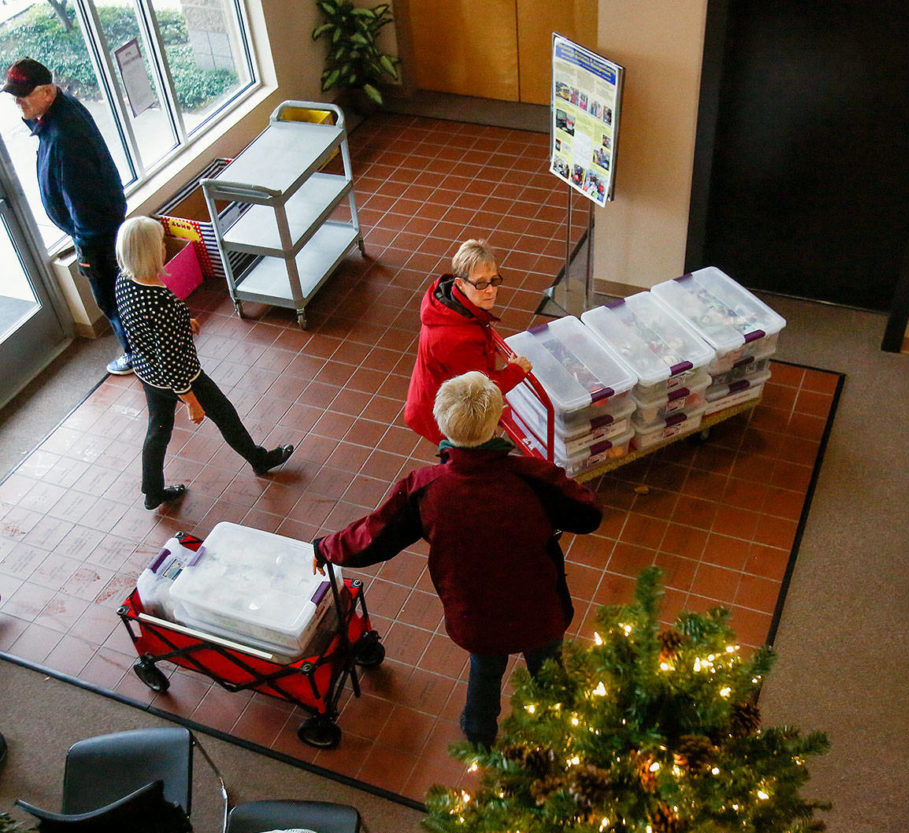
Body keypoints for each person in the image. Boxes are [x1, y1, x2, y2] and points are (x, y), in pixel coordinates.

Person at [314, 371, 602, 749]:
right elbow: (588, 515)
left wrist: (325, 547)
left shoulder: (425, 489)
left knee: (485, 671)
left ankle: (480, 733)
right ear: (500, 422)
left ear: (442, 425)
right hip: (540, 606)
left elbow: (373, 537)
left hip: (476, 613)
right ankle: (562, 728)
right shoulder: (534, 478)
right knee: (549, 667)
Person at [114, 216, 294, 511]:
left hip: (147, 374)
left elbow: (145, 328)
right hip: (184, 378)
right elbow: (173, 362)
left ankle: (152, 490)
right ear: (149, 251)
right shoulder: (163, 303)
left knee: (157, 430)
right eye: (159, 242)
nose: (164, 247)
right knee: (225, 415)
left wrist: (184, 323)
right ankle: (259, 460)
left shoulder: (125, 280)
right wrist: (190, 400)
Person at [1, 58, 133, 376]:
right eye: (14, 95)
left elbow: (82, 204)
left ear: (47, 92)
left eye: (24, 95)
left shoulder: (63, 140)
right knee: (122, 292)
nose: (17, 102)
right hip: (103, 225)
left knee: (111, 301)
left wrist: (86, 252)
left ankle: (136, 355)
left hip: (95, 236)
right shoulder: (63, 108)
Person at [403, 238, 532, 445]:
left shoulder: (447, 305)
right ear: (460, 284)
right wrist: (516, 372)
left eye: (494, 280)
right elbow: (479, 389)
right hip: (445, 417)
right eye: (481, 283)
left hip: (429, 398)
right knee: (460, 461)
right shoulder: (457, 338)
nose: (490, 290)